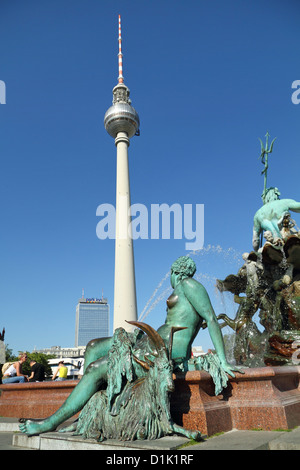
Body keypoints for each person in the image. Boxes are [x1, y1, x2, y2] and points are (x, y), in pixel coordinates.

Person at [19, 256, 241, 436]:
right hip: (148, 343)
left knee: (97, 369)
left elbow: (211, 318)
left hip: (160, 353)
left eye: (170, 276)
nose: (170, 281)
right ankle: (85, 415)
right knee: (94, 346)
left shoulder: (189, 284)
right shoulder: (181, 290)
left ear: (176, 272)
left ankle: (50, 423)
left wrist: (222, 359)